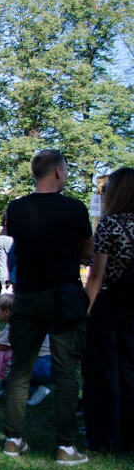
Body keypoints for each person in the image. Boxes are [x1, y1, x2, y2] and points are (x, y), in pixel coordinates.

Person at [2, 149, 93, 465]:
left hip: (26, 295)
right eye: (65, 170)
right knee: (67, 371)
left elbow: (16, 245)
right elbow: (87, 251)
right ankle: (65, 448)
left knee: (20, 368)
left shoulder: (16, 209)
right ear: (58, 171)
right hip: (65, 296)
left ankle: (13, 441)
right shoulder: (75, 209)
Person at [82, 167, 134, 453]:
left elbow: (97, 276)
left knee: (103, 372)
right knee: (129, 369)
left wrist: (85, 309)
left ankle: (103, 435)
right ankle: (128, 434)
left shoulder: (110, 225)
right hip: (131, 307)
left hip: (108, 305)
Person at [0, 293, 53, 404]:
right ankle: (8, 389)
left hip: (44, 366)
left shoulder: (17, 328)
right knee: (6, 359)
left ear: (7, 312)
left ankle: (38, 389)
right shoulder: (15, 321)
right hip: (43, 362)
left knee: (6, 363)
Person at [0, 214, 14, 291]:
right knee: (13, 262)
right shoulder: (20, 213)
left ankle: (3, 288)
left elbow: (1, 228)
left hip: (1, 238)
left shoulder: (5, 213)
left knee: (2, 264)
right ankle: (11, 286)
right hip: (11, 238)